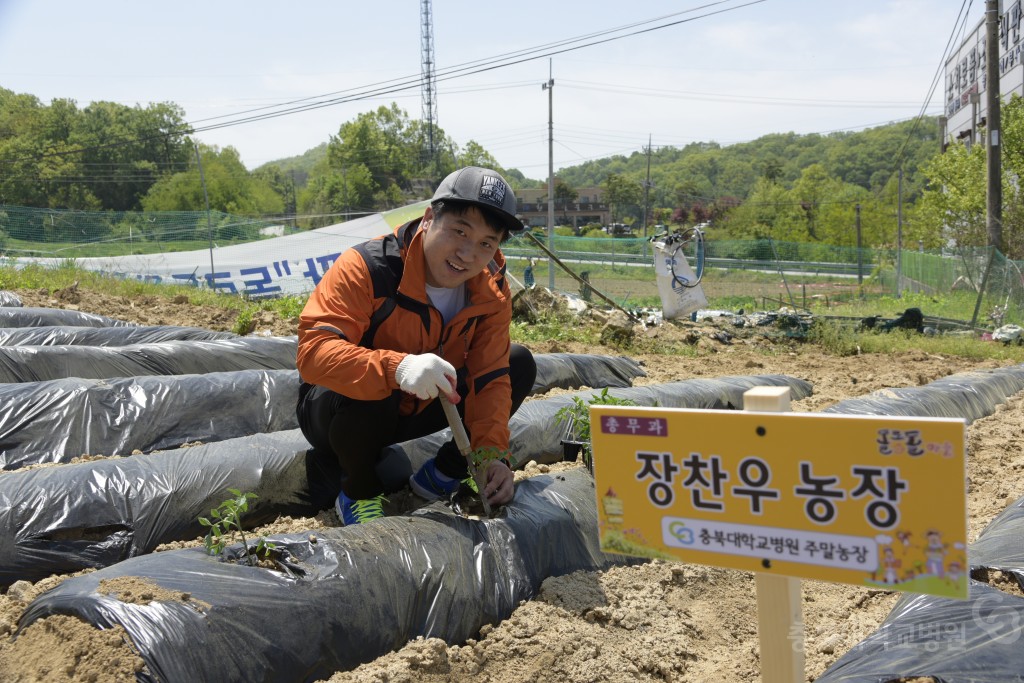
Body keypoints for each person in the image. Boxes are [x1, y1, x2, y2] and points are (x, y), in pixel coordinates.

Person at [295, 166, 537, 525]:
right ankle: (358, 492)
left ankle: (442, 474)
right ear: (428, 219)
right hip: (341, 413)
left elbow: (490, 376)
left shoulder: (491, 291)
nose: (468, 254)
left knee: (517, 364)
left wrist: (491, 455)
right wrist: (398, 369)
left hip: (420, 405)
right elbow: (314, 352)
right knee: (372, 389)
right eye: (459, 231)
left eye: (487, 243)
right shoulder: (368, 267)